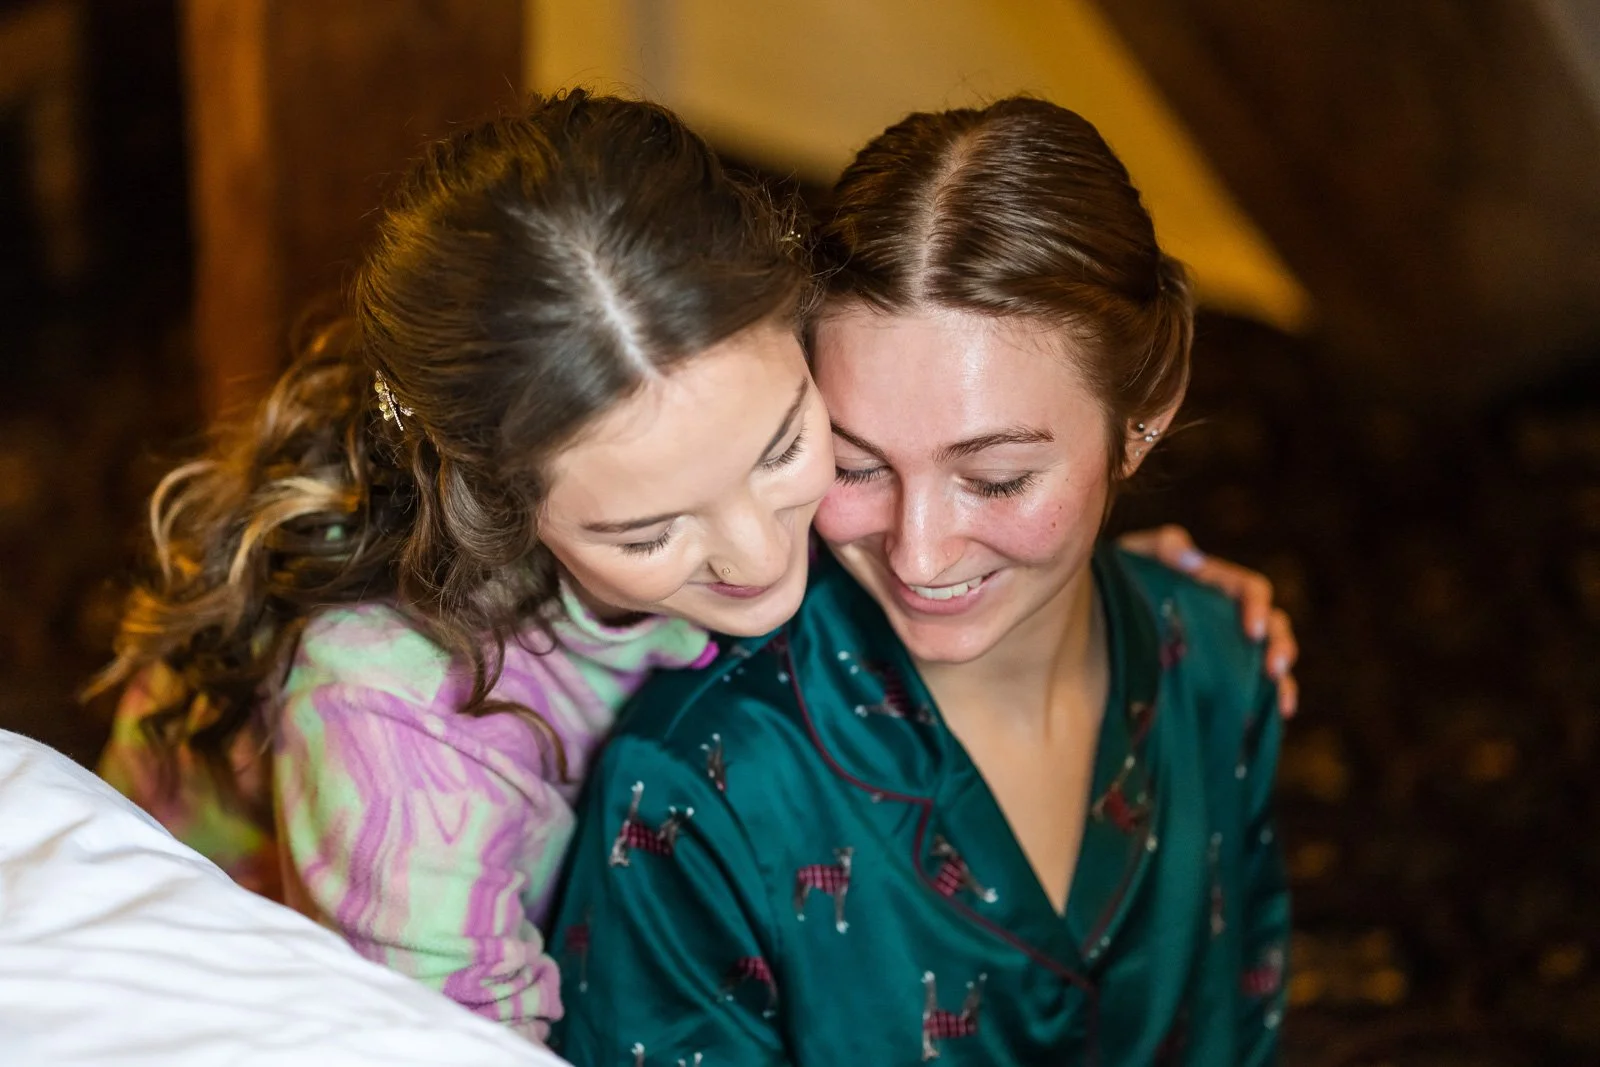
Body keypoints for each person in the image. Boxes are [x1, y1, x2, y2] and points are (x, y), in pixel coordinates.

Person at [93, 91, 1293, 1043]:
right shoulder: (403, 736)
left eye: (788, 449)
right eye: (649, 532)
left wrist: (1090, 575)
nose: (765, 554)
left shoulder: (795, 464)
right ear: (500, 505)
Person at [549, 97, 1289, 1066]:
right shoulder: (697, 785)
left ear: (1144, 415)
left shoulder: (1221, 665)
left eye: (994, 478)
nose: (919, 553)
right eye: (855, 466)